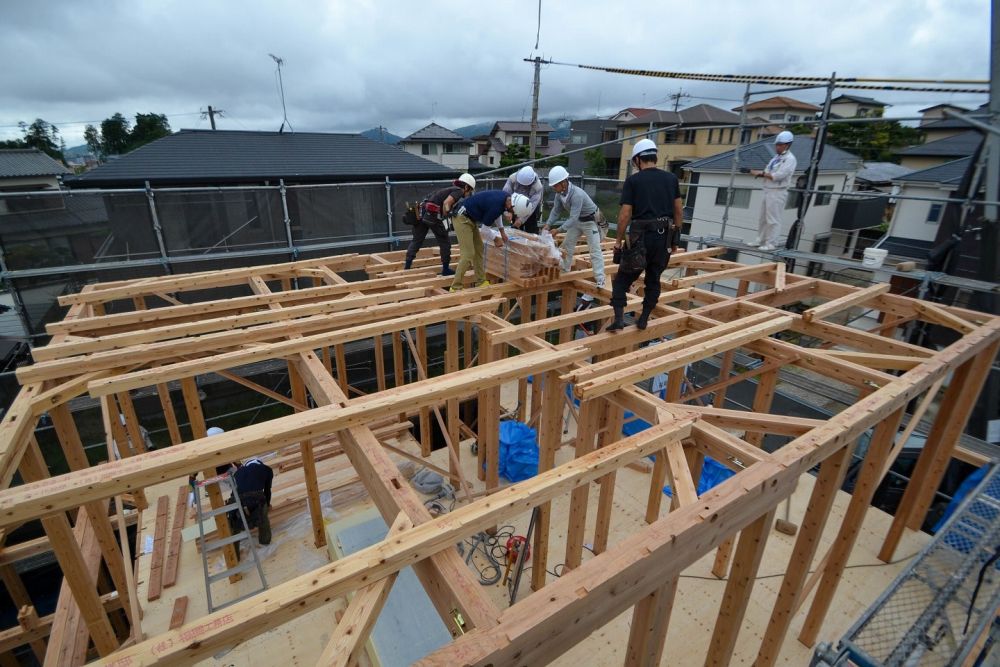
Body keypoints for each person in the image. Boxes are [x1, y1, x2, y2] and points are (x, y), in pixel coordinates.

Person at [608, 138, 683, 332]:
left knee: (623, 279)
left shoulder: (634, 181)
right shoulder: (671, 179)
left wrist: (618, 241)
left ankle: (618, 319)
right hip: (663, 237)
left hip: (640, 238)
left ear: (638, 159)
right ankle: (643, 319)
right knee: (653, 278)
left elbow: (625, 214)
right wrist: (675, 239)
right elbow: (678, 211)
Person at [542, 165, 606, 308]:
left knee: (594, 250)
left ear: (563, 183)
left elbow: (572, 217)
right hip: (578, 221)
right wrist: (547, 224)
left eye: (555, 185)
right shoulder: (560, 195)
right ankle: (565, 270)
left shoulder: (576, 194)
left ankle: (600, 279)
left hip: (591, 221)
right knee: (567, 246)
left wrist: (557, 230)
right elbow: (556, 211)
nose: (553, 188)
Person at [449, 190, 532, 291]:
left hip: (470, 218)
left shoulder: (505, 197)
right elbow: (485, 230)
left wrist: (502, 231)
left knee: (479, 248)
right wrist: (496, 239)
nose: (512, 213)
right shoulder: (497, 206)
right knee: (468, 254)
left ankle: (480, 281)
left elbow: (497, 214)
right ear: (513, 205)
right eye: (513, 211)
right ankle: (455, 286)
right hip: (461, 218)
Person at [404, 173, 476, 275]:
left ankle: (407, 267)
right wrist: (448, 215)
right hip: (433, 216)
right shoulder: (458, 191)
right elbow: (447, 203)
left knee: (417, 240)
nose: (469, 193)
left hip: (422, 212)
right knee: (444, 242)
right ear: (466, 187)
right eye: (470, 190)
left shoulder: (448, 189)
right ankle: (445, 269)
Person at [749, 131, 797, 251]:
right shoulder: (776, 158)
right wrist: (758, 173)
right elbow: (768, 171)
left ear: (787, 145)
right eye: (777, 144)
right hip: (768, 190)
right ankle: (760, 239)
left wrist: (760, 173)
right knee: (763, 218)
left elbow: (778, 176)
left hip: (778, 191)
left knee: (773, 219)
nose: (777, 147)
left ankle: (771, 243)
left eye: (780, 145)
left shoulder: (790, 159)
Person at [227, 456, 274, 553]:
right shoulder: (267, 469)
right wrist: (268, 505)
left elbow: (233, 492)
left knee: (235, 524)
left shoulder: (238, 472)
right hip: (256, 497)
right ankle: (265, 542)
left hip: (237, 499)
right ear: (260, 463)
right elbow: (267, 491)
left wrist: (232, 511)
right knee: (263, 518)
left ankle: (234, 552)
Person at [503, 165, 544, 234]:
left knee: (532, 231)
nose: (523, 187)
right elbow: (504, 196)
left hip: (529, 208)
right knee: (515, 233)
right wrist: (507, 211)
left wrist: (520, 221)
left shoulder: (537, 187)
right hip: (513, 206)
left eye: (525, 186)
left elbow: (532, 207)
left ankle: (533, 241)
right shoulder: (512, 178)